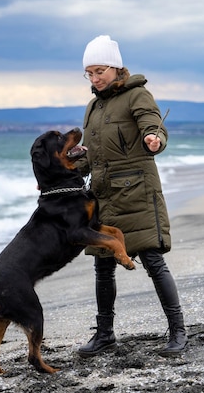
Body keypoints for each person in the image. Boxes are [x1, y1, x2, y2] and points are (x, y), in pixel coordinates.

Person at [75, 35, 187, 357]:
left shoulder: (137, 95)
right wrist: (65, 169)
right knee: (103, 266)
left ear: (115, 67)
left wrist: (155, 139)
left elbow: (153, 126)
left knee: (153, 260)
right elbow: (92, 156)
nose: (95, 79)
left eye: (100, 71)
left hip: (137, 193)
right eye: (90, 73)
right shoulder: (93, 107)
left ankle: (178, 330)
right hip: (104, 198)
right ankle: (105, 334)